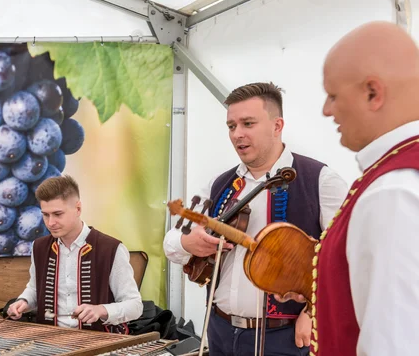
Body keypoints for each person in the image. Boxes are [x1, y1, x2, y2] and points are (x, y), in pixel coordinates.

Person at [163, 82, 348, 355]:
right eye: (231, 126)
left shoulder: (320, 180)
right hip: (220, 331)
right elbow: (172, 240)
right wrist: (188, 243)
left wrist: (313, 312)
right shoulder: (221, 184)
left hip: (286, 338)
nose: (238, 134)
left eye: (248, 123)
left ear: (277, 126)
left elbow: (346, 260)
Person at [296, 20, 419, 355]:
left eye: (333, 95)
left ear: (373, 93)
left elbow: (395, 345)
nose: (326, 110)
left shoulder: (392, 192)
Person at [6, 175, 143, 332]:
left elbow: (135, 306)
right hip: (50, 340)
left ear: (78, 209)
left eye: (58, 214)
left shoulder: (111, 249)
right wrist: (24, 301)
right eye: (45, 214)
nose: (50, 223)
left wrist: (101, 310)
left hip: (100, 342)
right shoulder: (39, 247)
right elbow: (35, 289)